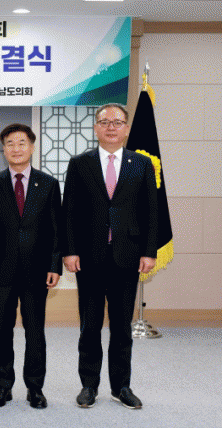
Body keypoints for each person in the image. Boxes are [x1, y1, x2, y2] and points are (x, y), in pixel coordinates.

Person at [63, 103, 158, 409]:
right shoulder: (80, 164)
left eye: (117, 122)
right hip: (88, 257)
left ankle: (121, 387)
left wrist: (149, 251)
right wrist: (70, 250)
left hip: (127, 256)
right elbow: (69, 211)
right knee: (89, 326)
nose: (111, 127)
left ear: (126, 128)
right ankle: (88, 385)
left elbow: (151, 211)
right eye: (105, 122)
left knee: (121, 327)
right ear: (96, 128)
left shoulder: (142, 164)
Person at [0, 124, 62, 409]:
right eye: (10, 143)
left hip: (37, 271)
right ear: (3, 149)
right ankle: (2, 386)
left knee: (35, 331)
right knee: (2, 330)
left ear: (32, 147)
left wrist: (54, 265)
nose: (16, 148)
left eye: (22, 143)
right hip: (1, 270)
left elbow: (55, 229)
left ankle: (35, 387)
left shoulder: (48, 184)